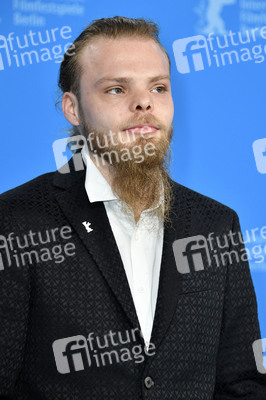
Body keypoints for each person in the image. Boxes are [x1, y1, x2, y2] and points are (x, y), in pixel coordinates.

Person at [0, 15, 265, 399]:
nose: (144, 102)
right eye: (115, 89)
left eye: (158, 87)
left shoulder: (216, 225)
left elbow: (243, 382)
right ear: (73, 109)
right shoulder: (16, 220)